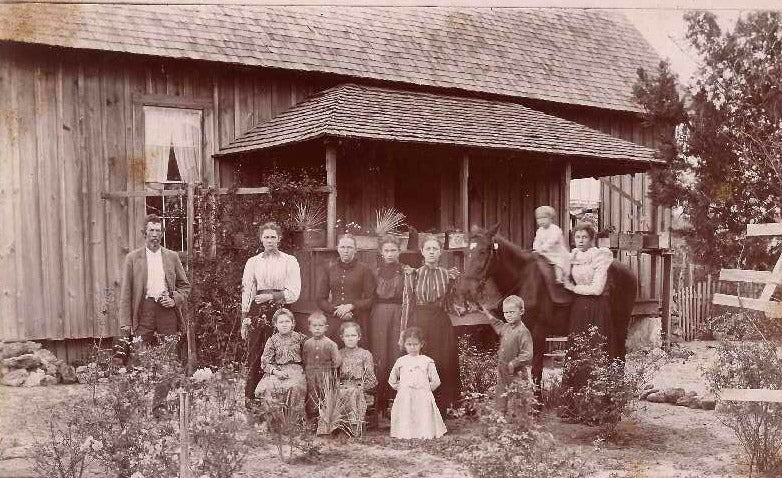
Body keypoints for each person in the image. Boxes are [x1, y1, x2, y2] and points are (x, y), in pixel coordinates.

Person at [117, 214, 191, 415]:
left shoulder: (171, 256)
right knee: (136, 358)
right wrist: (125, 322)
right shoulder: (133, 258)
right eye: (151, 230)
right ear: (144, 233)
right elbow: (126, 292)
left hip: (167, 313)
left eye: (158, 231)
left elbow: (185, 286)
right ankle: (128, 405)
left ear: (162, 233)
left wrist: (174, 298)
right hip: (145, 312)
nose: (155, 235)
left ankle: (159, 406)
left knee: (168, 360)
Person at [240, 222, 301, 404]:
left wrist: (271, 297)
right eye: (266, 237)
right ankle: (252, 401)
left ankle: (278, 401)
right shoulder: (253, 262)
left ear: (279, 239)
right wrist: (245, 317)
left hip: (281, 311)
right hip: (257, 310)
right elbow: (248, 290)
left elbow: (294, 292)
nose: (269, 240)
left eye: (273, 237)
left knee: (280, 352)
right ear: (261, 239)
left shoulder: (289, 261)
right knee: (255, 353)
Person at [401, 234, 460, 415]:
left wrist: (457, 307)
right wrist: (403, 331)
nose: (432, 252)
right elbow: (407, 303)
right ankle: (420, 410)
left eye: (435, 249)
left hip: (441, 322)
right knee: (420, 363)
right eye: (428, 249)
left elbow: (449, 303)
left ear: (440, 252)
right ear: (422, 252)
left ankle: (440, 410)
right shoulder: (414, 274)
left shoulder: (447, 275)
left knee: (442, 362)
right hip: (420, 322)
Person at [317, 321, 378, 436]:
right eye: (347, 336)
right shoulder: (338, 353)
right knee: (333, 394)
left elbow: (371, 379)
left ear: (359, 337)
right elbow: (333, 375)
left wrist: (361, 387)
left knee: (351, 392)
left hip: (359, 389)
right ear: (342, 337)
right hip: (341, 387)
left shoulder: (365, 354)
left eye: (353, 335)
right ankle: (333, 428)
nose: (350, 339)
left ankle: (352, 429)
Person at [388, 327, 447, 440]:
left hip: (422, 395)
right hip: (405, 395)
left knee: (422, 414)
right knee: (406, 413)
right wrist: (401, 388)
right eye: (409, 344)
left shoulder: (426, 361)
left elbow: (436, 381)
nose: (412, 347)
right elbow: (392, 379)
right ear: (404, 344)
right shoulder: (401, 361)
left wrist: (426, 390)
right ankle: (406, 433)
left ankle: (423, 432)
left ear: (421, 344)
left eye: (415, 344)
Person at [316, 234, 376, 343]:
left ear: (355, 250)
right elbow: (320, 299)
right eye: (343, 247)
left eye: (349, 247)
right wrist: (336, 310)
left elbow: (371, 299)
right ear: (338, 249)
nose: (346, 251)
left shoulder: (364, 269)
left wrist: (351, 306)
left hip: (357, 317)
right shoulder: (329, 269)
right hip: (334, 317)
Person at [369, 235, 405, 417]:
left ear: (399, 252)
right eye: (386, 250)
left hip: (398, 314)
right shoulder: (374, 273)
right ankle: (378, 402)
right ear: (381, 252)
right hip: (379, 314)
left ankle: (394, 402)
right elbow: (369, 296)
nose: (390, 254)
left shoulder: (405, 272)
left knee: (395, 354)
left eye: (393, 250)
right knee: (379, 355)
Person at [480, 295, 534, 414]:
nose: (508, 315)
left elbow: (527, 354)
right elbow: (497, 324)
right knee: (500, 397)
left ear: (521, 311)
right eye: (505, 312)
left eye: (512, 312)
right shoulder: (506, 327)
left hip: (517, 373)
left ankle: (520, 423)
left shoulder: (523, 332)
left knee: (518, 399)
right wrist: (486, 314)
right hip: (503, 369)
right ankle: (500, 420)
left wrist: (514, 363)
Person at [563, 222, 613, 339]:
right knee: (578, 343)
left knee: (595, 343)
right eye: (577, 237)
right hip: (579, 305)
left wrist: (574, 288)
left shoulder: (599, 257)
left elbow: (597, 289)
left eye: (584, 237)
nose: (580, 241)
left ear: (591, 239)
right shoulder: (573, 256)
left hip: (596, 306)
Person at [255, 308, 308, 420]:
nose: (284, 325)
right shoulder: (272, 340)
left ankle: (292, 421)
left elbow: (308, 355)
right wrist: (275, 372)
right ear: (276, 324)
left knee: (294, 386)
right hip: (277, 369)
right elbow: (265, 361)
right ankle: (274, 421)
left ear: (293, 323)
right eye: (281, 322)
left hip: (295, 369)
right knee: (269, 387)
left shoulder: (300, 338)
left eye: (287, 321)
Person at [303, 311, 341, 421]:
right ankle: (313, 418)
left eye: (320, 326)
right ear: (309, 327)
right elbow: (305, 359)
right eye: (314, 326)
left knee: (325, 395)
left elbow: (337, 361)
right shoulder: (307, 343)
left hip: (325, 375)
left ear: (326, 327)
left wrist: (329, 370)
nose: (317, 328)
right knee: (312, 395)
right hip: (310, 374)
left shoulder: (331, 344)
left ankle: (325, 419)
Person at [532, 205, 570, 284]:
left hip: (557, 252)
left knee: (558, 263)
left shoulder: (555, 229)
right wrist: (536, 248)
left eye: (544, 218)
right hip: (545, 252)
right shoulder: (539, 231)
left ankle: (559, 278)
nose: (541, 221)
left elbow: (552, 240)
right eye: (538, 219)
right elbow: (537, 240)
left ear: (551, 219)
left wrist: (543, 247)